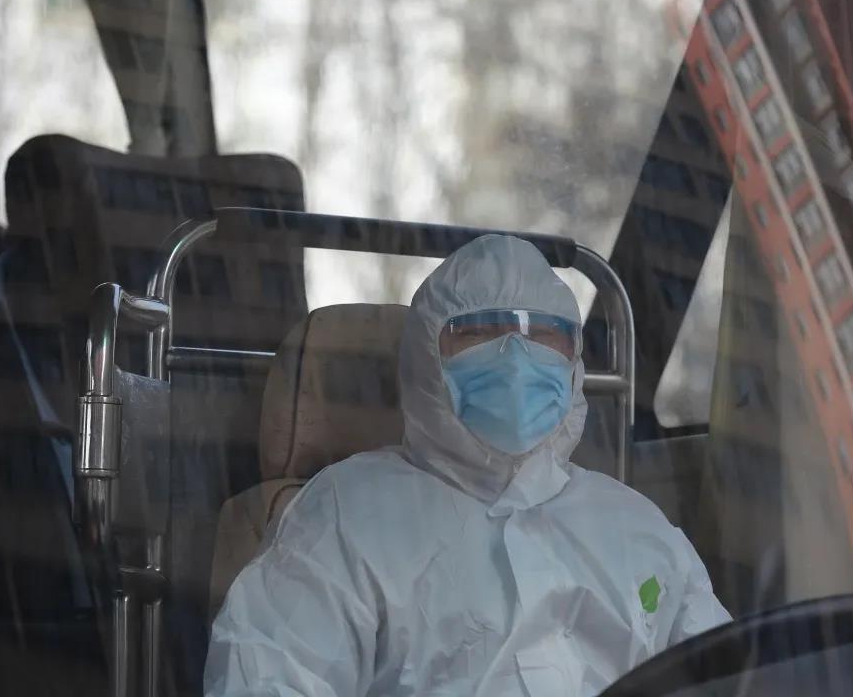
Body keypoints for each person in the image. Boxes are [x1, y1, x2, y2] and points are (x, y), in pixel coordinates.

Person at [204, 234, 730, 696]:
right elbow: (269, 676)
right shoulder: (345, 516)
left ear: (574, 362)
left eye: (544, 336)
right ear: (424, 356)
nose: (516, 359)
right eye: (479, 334)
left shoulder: (634, 527)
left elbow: (729, 675)